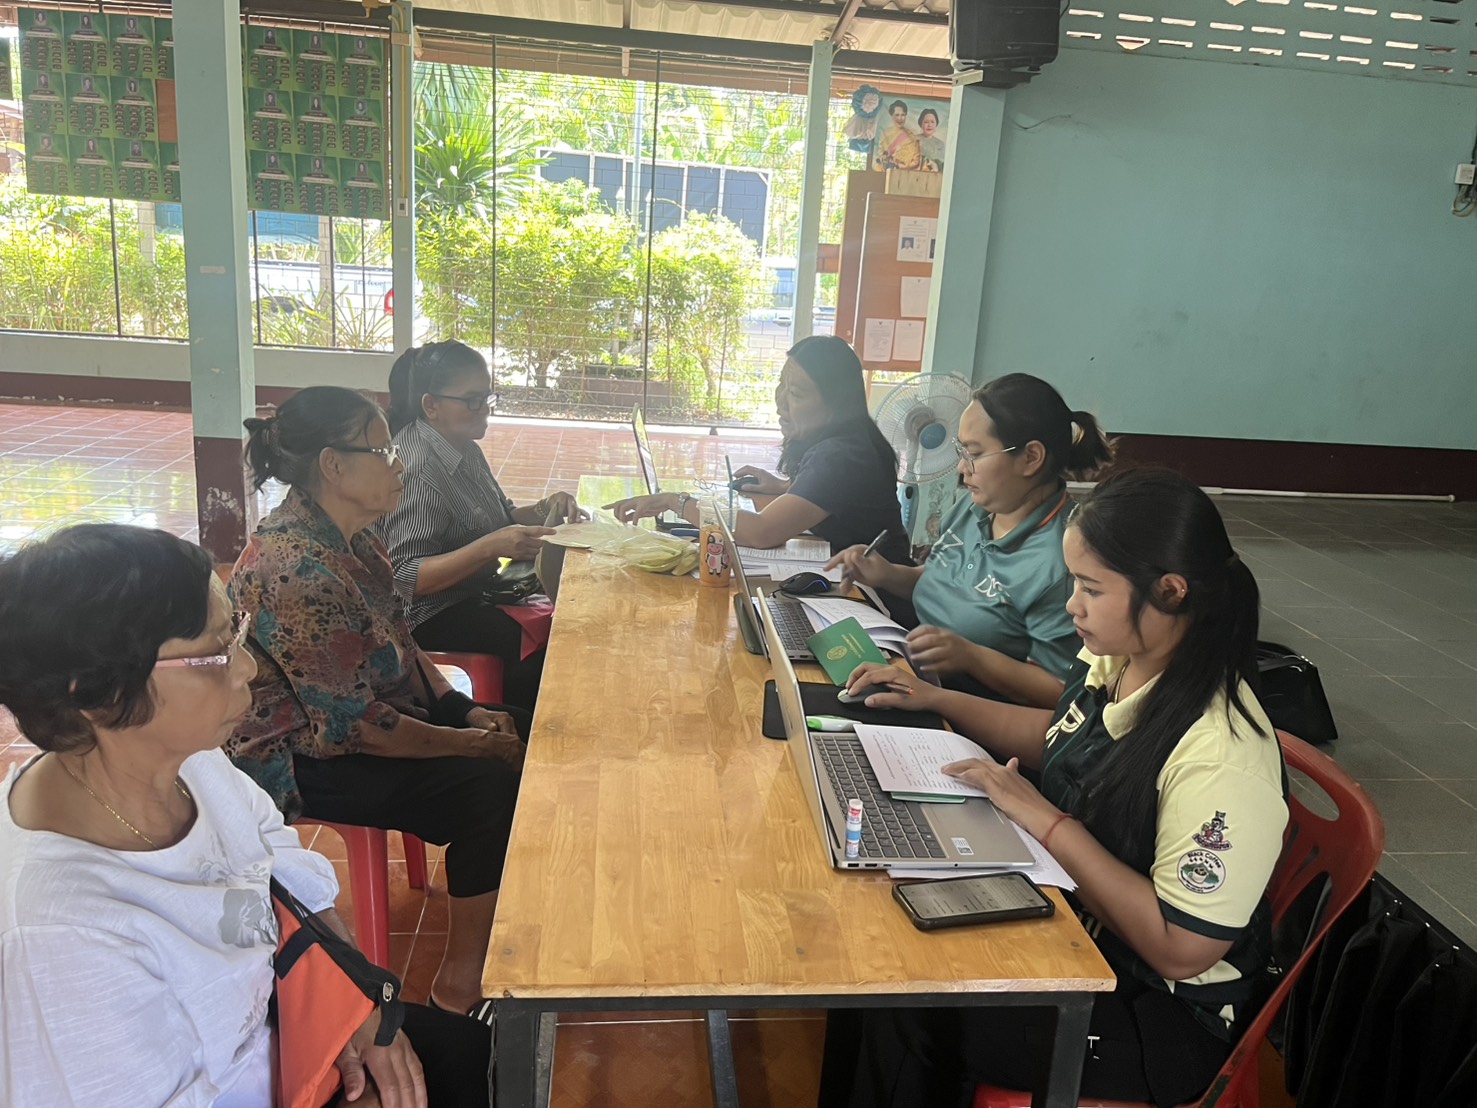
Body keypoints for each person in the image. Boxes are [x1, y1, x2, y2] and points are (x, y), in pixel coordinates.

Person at [822, 468, 1289, 1108]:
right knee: (880, 959)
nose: (1073, 606)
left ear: (1171, 591)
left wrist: (1045, 821)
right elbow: (1060, 736)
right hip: (1078, 920)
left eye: (1091, 588)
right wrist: (936, 699)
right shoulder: (1122, 654)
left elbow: (1182, 950)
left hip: (1156, 1015)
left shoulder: (1221, 755)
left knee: (910, 1001)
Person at [0, 524, 490, 1106]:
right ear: (99, 695)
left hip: (296, 1030)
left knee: (475, 1057)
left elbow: (278, 859)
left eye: (236, 632)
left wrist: (352, 999)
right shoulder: (59, 935)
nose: (248, 669)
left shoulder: (191, 762)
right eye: (216, 653)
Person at [228, 385, 526, 1020]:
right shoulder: (297, 569)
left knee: (529, 732)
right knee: (488, 789)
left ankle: (507, 915)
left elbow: (403, 643)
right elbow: (357, 728)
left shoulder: (357, 540)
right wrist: (473, 745)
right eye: (384, 452)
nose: (398, 466)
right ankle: (458, 987)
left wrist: (465, 713)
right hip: (300, 756)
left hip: (365, 719)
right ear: (334, 465)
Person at [829, 374, 1112, 708]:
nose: (962, 469)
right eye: (960, 450)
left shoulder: (1062, 561)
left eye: (974, 453)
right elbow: (943, 579)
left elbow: (1059, 690)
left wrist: (972, 658)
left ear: (1031, 458)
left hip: (970, 710)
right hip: (910, 670)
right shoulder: (974, 507)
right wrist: (887, 574)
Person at [382, 341, 585, 711]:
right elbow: (405, 577)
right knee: (546, 649)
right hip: (427, 616)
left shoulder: (462, 446)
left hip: (472, 593)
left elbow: (501, 517)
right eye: (472, 400)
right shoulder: (420, 470)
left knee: (567, 613)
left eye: (487, 397)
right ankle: (524, 730)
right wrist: (491, 547)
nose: (484, 409)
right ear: (431, 406)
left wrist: (546, 508)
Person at [605, 335, 910, 563]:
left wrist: (676, 501)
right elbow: (835, 497)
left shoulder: (842, 455)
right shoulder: (849, 440)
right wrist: (784, 487)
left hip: (875, 598)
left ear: (835, 405)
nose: (781, 400)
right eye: (781, 384)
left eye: (796, 393)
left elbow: (760, 532)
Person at [873, 100, 922, 171]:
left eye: (903, 115)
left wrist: (898, 166)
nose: (900, 118)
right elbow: (880, 154)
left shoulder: (912, 136)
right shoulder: (885, 134)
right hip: (885, 172)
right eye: (897, 115)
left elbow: (916, 162)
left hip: (904, 174)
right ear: (892, 116)